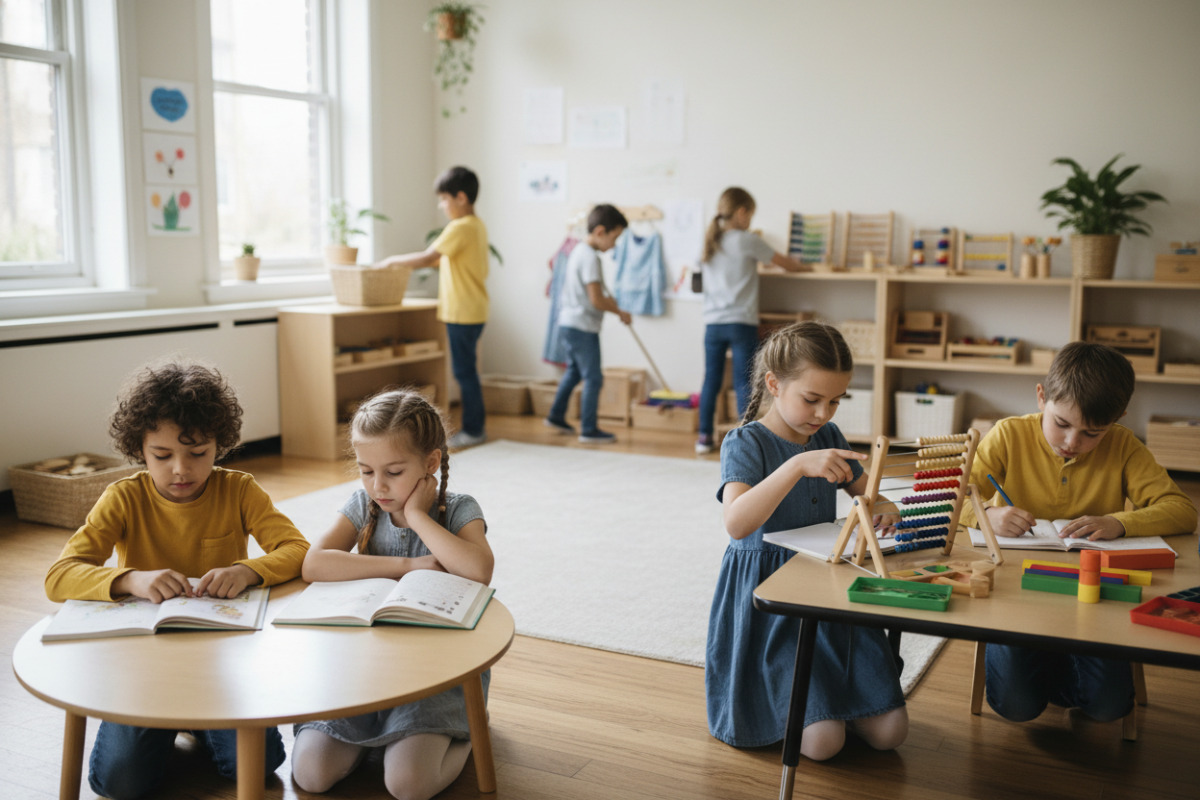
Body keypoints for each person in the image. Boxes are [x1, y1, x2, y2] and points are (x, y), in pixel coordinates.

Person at [44, 361, 309, 800]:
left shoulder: (239, 490)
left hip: (220, 661)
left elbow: (298, 550)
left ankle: (190, 720)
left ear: (219, 445)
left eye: (197, 453)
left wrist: (247, 570)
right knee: (120, 783)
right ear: (140, 451)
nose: (180, 470)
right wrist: (130, 580)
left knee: (260, 765)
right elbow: (59, 576)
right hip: (144, 665)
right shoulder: (124, 497)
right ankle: (172, 721)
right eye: (162, 456)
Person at [961, 341, 1197, 724]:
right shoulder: (1007, 435)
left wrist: (1120, 522)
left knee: (1107, 708)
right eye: (1062, 424)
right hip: (1016, 591)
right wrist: (987, 513)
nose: (1073, 443)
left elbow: (1183, 511)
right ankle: (1053, 667)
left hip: (1096, 594)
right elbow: (952, 498)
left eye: (1092, 433)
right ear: (1042, 397)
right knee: (1015, 707)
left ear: (1118, 417)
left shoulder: (1123, 445)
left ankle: (1059, 672)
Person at [706, 320, 908, 760]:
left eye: (836, 400)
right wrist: (797, 465)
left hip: (822, 591)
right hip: (770, 601)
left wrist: (884, 511)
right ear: (774, 385)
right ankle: (810, 709)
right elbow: (737, 523)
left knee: (892, 732)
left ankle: (832, 703)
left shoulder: (829, 436)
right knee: (822, 744)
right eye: (812, 399)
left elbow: (870, 497)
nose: (824, 414)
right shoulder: (745, 442)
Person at [291, 388, 494, 800]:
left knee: (407, 786)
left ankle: (470, 727)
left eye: (394, 472)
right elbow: (315, 563)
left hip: (437, 676)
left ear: (431, 462)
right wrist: (405, 567)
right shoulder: (362, 505)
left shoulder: (456, 509)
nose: (378, 486)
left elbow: (479, 571)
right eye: (366, 471)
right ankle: (383, 738)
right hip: (366, 671)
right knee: (310, 773)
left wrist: (417, 515)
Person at [375, 166, 490, 449]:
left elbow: (429, 257)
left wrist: (392, 261)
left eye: (443, 199)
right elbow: (442, 259)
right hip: (473, 309)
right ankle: (475, 427)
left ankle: (474, 429)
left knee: (465, 373)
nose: (441, 206)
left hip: (462, 311)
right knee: (467, 371)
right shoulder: (476, 226)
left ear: (460, 197)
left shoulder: (460, 227)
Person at [696, 187, 808, 455]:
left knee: (711, 380)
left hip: (712, 323)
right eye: (750, 215)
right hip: (740, 322)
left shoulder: (710, 240)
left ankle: (703, 438)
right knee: (744, 381)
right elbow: (786, 264)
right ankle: (744, 439)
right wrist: (804, 265)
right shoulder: (746, 240)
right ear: (742, 212)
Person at [543, 203, 632, 444]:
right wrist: (619, 311)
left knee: (574, 371)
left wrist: (611, 302)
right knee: (593, 378)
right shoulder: (590, 257)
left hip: (569, 324)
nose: (614, 245)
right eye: (614, 238)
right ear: (601, 232)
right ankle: (589, 429)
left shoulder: (579, 252)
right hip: (582, 326)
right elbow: (595, 299)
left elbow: (595, 293)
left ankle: (556, 415)